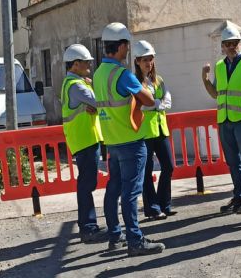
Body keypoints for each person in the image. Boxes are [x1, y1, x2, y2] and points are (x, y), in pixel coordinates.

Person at [93, 22, 165, 256]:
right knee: (131, 193)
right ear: (122, 46)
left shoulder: (98, 73)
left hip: (112, 141)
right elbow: (148, 99)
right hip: (131, 140)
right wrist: (149, 96)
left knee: (113, 189)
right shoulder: (121, 73)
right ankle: (135, 240)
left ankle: (115, 235)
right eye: (127, 46)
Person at [201, 21, 241, 214]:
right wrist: (204, 79)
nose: (231, 46)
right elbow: (216, 94)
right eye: (227, 43)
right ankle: (239, 194)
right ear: (222, 47)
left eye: (235, 42)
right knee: (233, 161)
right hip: (224, 120)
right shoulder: (219, 66)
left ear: (240, 43)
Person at [60, 44, 105, 243]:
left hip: (84, 139)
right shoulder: (76, 86)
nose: (89, 66)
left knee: (86, 183)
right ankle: (88, 227)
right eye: (86, 63)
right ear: (75, 64)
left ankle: (86, 225)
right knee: (87, 184)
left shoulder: (72, 83)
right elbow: (99, 101)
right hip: (85, 139)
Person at [132, 40, 175, 220]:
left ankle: (165, 203)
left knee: (169, 167)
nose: (148, 63)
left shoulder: (158, 80)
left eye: (150, 59)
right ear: (137, 61)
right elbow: (141, 106)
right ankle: (152, 208)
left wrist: (155, 105)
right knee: (147, 172)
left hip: (160, 129)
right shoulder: (134, 82)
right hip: (145, 132)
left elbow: (168, 102)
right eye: (144, 60)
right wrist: (157, 105)